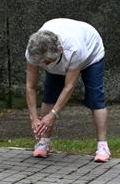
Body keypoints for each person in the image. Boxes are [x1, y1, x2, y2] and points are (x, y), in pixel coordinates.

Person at [23, 19, 111, 163]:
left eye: (46, 62)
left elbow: (69, 87)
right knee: (49, 95)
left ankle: (103, 146)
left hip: (91, 54)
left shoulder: (75, 50)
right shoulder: (33, 50)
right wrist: (34, 118)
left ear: (59, 51)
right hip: (59, 57)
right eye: (41, 63)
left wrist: (52, 115)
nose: (43, 66)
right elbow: (30, 86)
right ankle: (43, 141)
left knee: (96, 98)